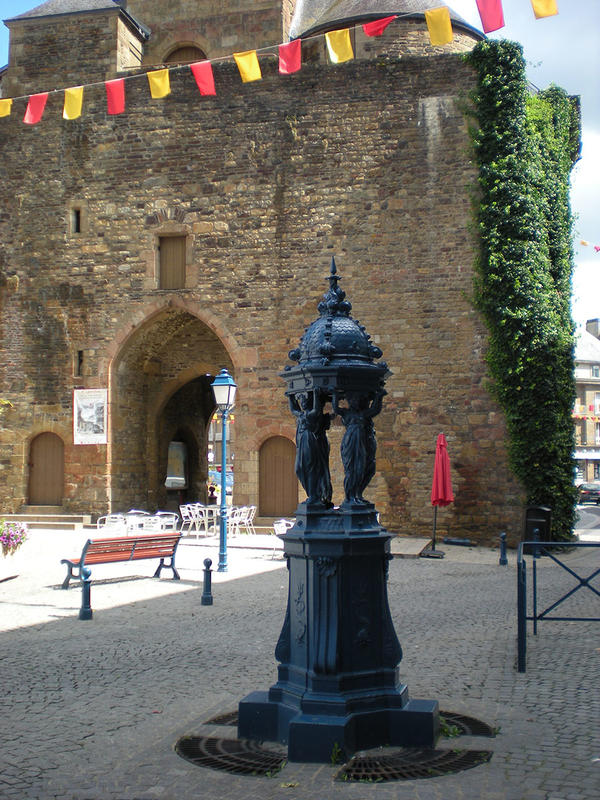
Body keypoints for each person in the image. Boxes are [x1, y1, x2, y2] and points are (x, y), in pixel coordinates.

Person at [289, 389, 333, 507]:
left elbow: (317, 409)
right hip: (302, 441)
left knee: (311, 467)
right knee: (299, 468)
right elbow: (294, 409)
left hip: (310, 441)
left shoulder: (313, 414)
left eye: (305, 400)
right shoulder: (302, 414)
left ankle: (315, 496)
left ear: (311, 401)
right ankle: (313, 494)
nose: (303, 402)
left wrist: (315, 394)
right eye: (301, 400)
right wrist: (291, 397)